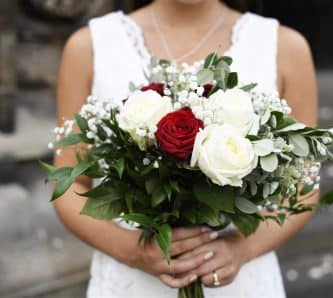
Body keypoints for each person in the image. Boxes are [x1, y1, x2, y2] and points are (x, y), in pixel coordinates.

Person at [55, 0, 318, 297]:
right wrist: (133, 250)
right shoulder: (89, 46)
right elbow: (68, 184)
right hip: (130, 281)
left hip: (238, 282)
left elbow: (303, 189)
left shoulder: (285, 47)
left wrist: (242, 249)